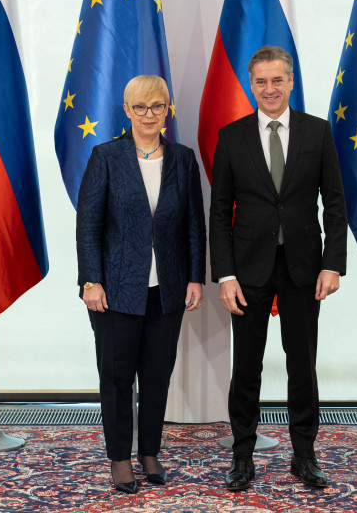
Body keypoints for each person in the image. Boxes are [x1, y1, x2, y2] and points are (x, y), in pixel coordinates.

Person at [209, 45, 348, 490]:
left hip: (304, 269)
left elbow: (335, 204)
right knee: (246, 367)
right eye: (261, 81)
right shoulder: (232, 136)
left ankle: (304, 455)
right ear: (251, 85)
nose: (270, 89)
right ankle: (242, 456)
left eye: (277, 80)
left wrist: (333, 265)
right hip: (247, 271)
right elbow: (219, 212)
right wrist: (225, 275)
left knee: (302, 365)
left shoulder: (317, 132)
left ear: (291, 81)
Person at [76, 75, 206, 494]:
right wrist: (91, 280)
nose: (149, 115)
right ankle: (119, 457)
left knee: (156, 375)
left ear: (167, 110)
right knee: (116, 377)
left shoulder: (183, 159)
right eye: (140, 107)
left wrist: (195, 277)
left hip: (167, 290)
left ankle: (149, 451)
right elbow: (88, 226)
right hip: (114, 290)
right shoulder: (106, 157)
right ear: (127, 111)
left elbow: (194, 225)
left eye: (157, 106)